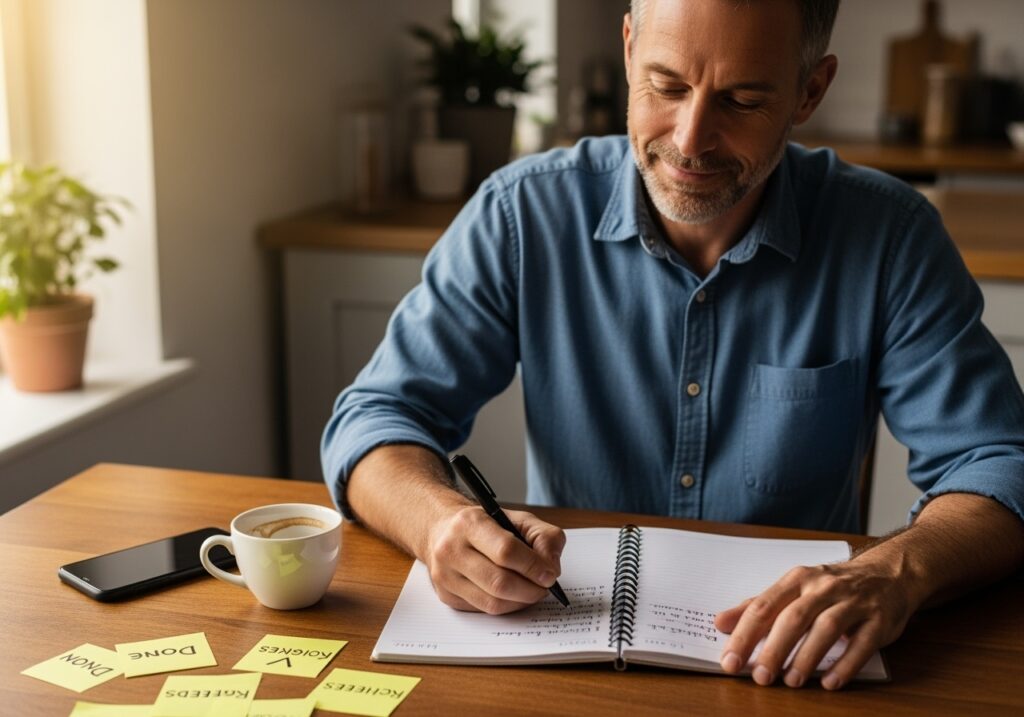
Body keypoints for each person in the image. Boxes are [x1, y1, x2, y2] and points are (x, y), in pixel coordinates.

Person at [321, 0, 1024, 690]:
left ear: (811, 89)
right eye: (666, 86)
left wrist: (893, 571)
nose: (690, 139)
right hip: (565, 666)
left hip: (790, 673)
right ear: (629, 49)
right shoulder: (520, 215)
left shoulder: (891, 237)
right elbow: (376, 418)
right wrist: (438, 519)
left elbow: (999, 460)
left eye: (742, 100)